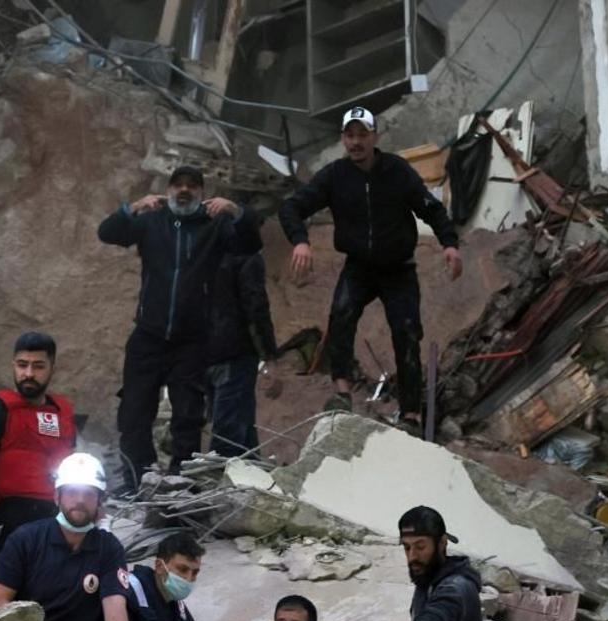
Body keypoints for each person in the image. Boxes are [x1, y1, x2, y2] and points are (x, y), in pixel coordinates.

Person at [279, 106, 461, 435]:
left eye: (362, 135)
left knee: (406, 333)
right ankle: (342, 393)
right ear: (343, 139)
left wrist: (449, 243)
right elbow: (292, 206)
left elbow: (430, 207)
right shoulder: (335, 175)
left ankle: (410, 414)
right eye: (350, 135)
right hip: (359, 267)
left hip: (398, 268)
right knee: (341, 315)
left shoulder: (397, 171)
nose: (356, 142)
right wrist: (300, 241)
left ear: (375, 137)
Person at [98, 165, 263, 488]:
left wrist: (234, 211)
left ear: (202, 192)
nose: (184, 190)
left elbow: (250, 243)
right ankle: (136, 479)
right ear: (168, 190)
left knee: (188, 414)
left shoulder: (214, 226)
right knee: (134, 410)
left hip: (192, 338)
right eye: (178, 185)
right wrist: (133, 207)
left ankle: (181, 481)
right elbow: (107, 233)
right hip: (148, 333)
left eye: (192, 186)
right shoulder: (151, 221)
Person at [0, 453, 132, 621]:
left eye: (89, 494)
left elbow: (114, 601)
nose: (80, 500)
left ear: (99, 501)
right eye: (72, 492)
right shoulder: (25, 539)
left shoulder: (109, 547)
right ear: (57, 497)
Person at [0, 331, 76, 566]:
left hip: (57, 517)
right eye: (22, 365)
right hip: (12, 519)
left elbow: (74, 467)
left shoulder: (63, 411)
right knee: (12, 586)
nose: (28, 373)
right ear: (13, 365)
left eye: (38, 366)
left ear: (52, 367)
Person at [366, 507, 491, 621]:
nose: (412, 556)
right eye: (407, 547)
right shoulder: (427, 578)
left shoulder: (456, 589)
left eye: (420, 547)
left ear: (442, 543)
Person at [206, 250, 278, 456]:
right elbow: (255, 305)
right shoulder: (245, 252)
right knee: (228, 441)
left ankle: (252, 469)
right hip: (234, 352)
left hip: (202, 353)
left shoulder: (198, 244)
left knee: (242, 431)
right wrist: (269, 355)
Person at [124, 532, 202, 621]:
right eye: (182, 569)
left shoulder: (176, 607)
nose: (189, 578)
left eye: (195, 572)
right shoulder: (129, 593)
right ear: (160, 566)